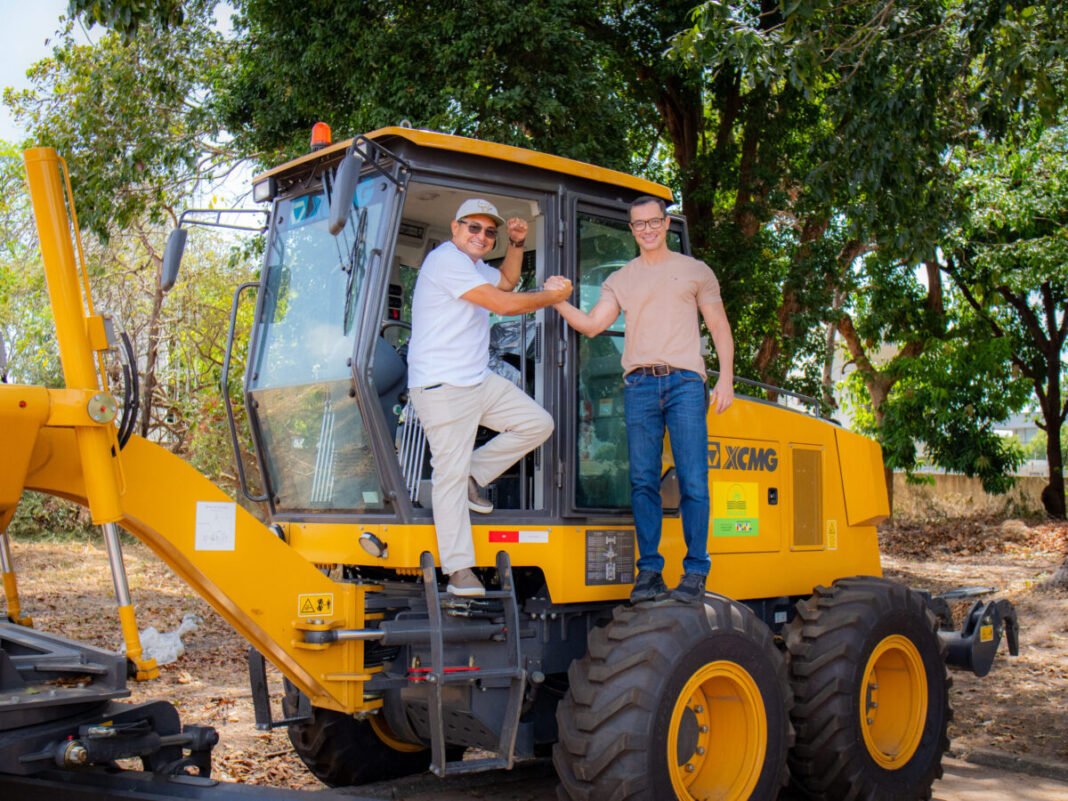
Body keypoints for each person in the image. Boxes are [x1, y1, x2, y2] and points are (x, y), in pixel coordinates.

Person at [553, 196, 734, 604]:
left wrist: (725, 379)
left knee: (692, 480)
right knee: (642, 482)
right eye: (639, 225)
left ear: (666, 224)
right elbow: (594, 324)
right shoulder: (622, 280)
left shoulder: (695, 271)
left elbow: (719, 326)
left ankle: (695, 570)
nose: (647, 230)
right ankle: (649, 571)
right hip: (639, 386)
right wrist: (556, 300)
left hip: (686, 383)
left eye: (654, 222)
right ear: (631, 229)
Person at [407, 198, 572, 597]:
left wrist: (516, 245)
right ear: (455, 228)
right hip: (443, 386)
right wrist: (553, 298)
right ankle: (459, 569)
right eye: (474, 228)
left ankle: (473, 474)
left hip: (476, 381)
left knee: (537, 423)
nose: (482, 236)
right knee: (448, 473)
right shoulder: (446, 261)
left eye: (490, 232)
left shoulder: (472, 265)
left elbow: (506, 284)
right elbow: (502, 304)